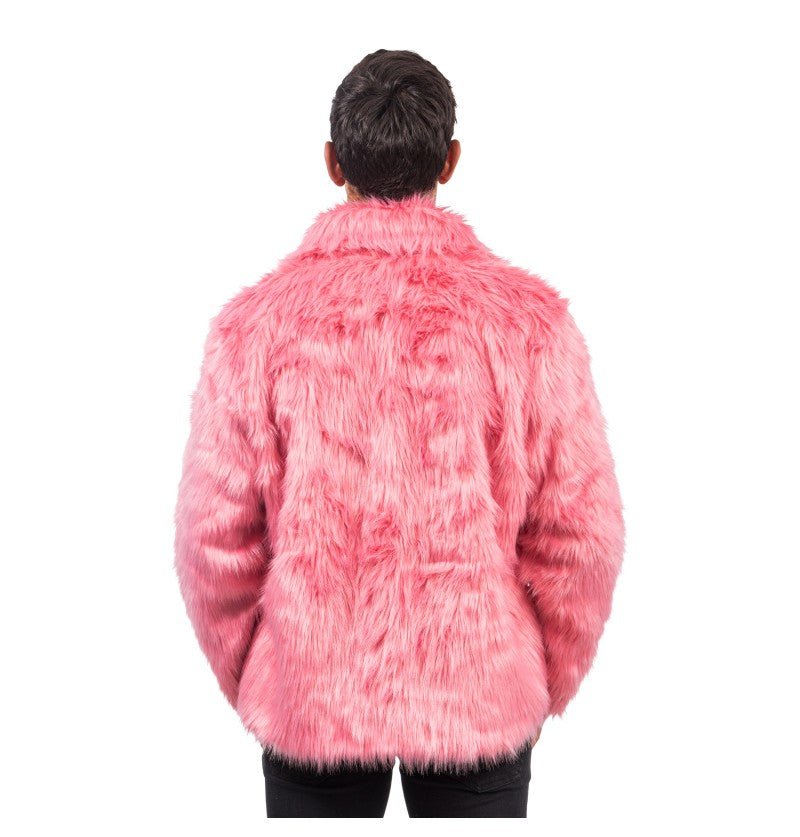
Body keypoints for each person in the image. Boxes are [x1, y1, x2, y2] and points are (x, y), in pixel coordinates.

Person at [173, 48, 626, 819]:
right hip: (477, 691)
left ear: (331, 161)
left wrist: (260, 671)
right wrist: (538, 674)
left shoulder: (253, 330)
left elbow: (210, 540)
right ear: (449, 161)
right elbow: (583, 533)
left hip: (313, 693)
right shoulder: (530, 326)